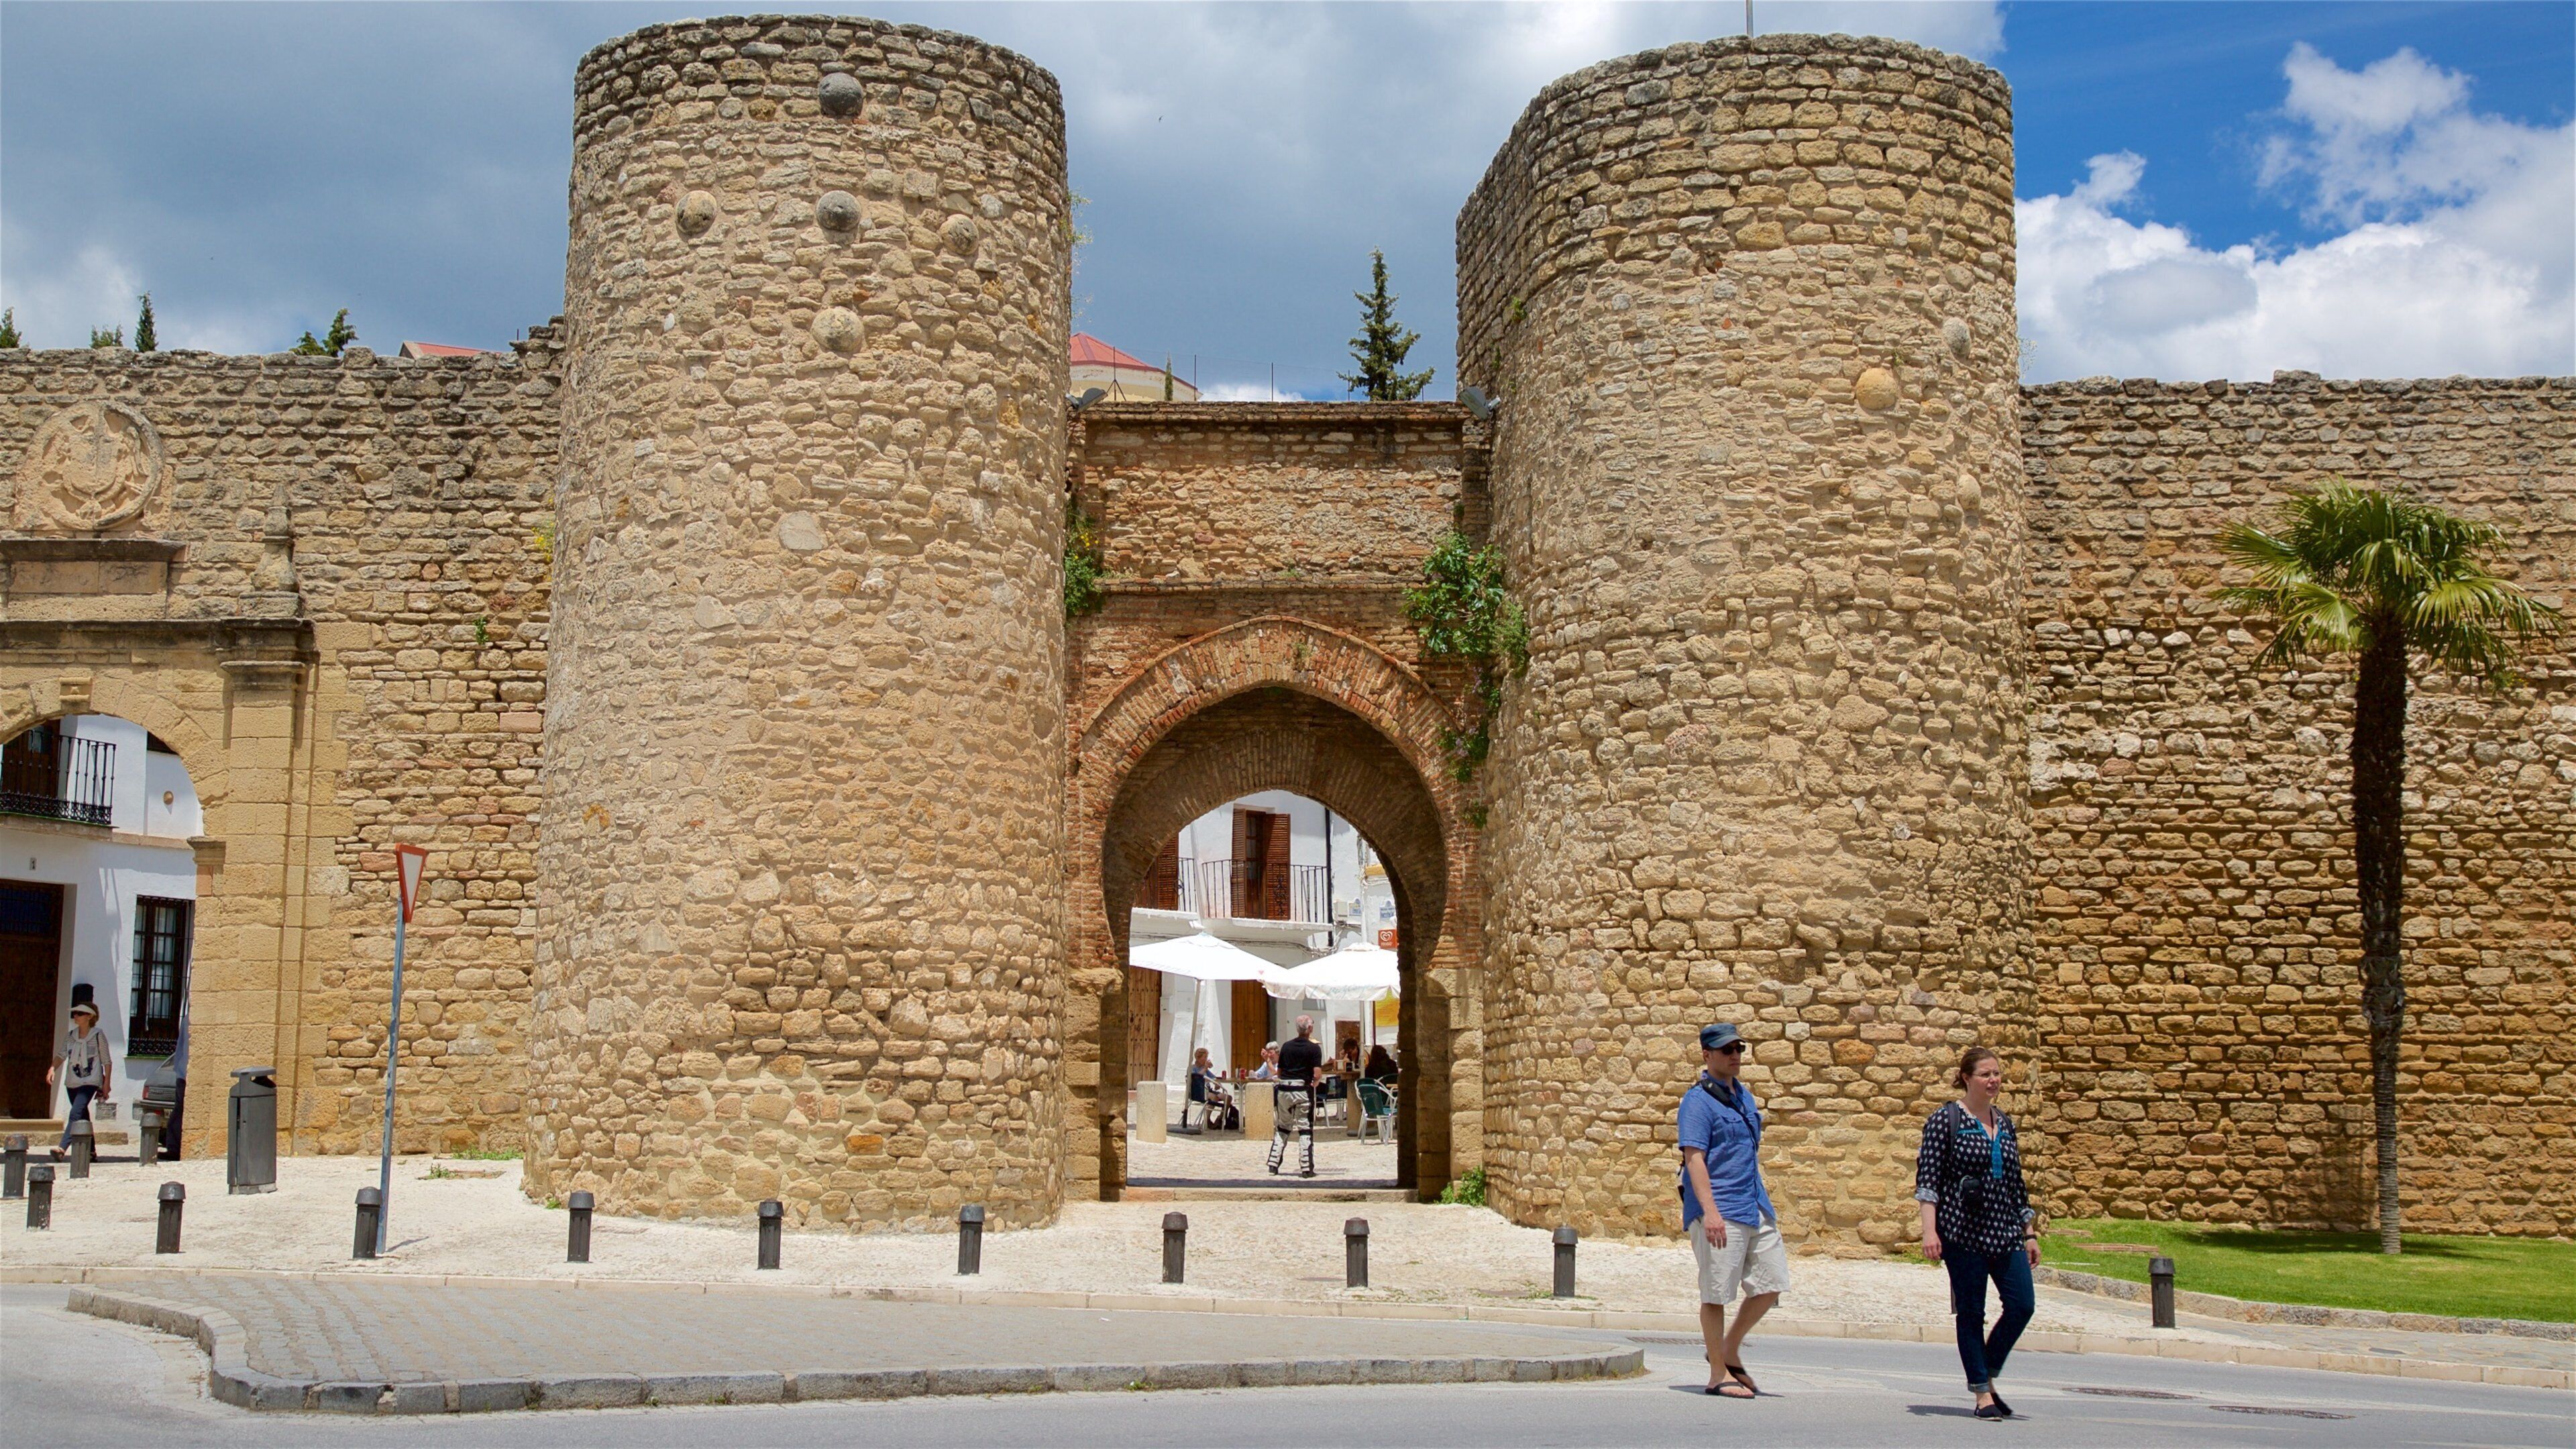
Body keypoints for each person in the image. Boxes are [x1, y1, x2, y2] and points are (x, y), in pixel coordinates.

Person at [1916, 1045, 2039, 1421]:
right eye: (1986, 1074)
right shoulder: (1946, 1120)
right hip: (1962, 1232)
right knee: (1971, 1313)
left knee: (2022, 1306)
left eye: (1997, 1074)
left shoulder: (2005, 1123)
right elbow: (1928, 1180)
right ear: (1967, 1078)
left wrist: (2029, 1232)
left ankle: (1985, 1370)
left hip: (2005, 1231)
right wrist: (1929, 1231)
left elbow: (2016, 1183)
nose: (1994, 1080)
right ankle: (1982, 1393)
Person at [1677, 1021, 1787, 1399]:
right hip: (1720, 1206)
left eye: (1739, 1048)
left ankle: (1729, 1348)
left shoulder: (1745, 1097)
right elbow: (1695, 1159)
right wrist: (1709, 1212)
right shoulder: (1696, 1102)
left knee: (1772, 1284)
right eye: (1727, 1050)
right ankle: (1717, 1375)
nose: (1735, 1055)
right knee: (1716, 1292)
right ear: (1707, 1055)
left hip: (1754, 1203)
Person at [48, 1002, 113, 1159]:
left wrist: (106, 1084)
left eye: (80, 1013)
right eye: (75, 1013)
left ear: (90, 1016)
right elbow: (62, 1054)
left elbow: (107, 1061)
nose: (76, 1016)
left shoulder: (98, 1035)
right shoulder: (71, 1035)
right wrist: (52, 1068)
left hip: (90, 1081)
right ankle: (91, 1151)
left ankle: (62, 1148)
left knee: (75, 1113)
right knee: (82, 1115)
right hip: (73, 1081)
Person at [1268, 1015, 1322, 1177]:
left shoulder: (1286, 1046)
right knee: (1305, 1128)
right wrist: (1315, 1083)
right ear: (1310, 1029)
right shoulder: (1314, 1049)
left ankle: (1273, 1164)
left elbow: (1280, 1072)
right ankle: (1306, 1167)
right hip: (1302, 1090)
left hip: (1284, 1090)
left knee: (1283, 1127)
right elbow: (1317, 1074)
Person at [1183, 1046, 1216, 1132]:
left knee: (1228, 1098)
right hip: (1198, 1092)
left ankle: (1219, 1120)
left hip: (1208, 1090)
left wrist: (1217, 1084)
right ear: (1198, 1058)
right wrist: (1205, 1068)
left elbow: (1213, 1078)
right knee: (1214, 1098)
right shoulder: (1192, 1068)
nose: (1206, 1059)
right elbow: (1197, 1078)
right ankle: (1207, 1121)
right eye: (1204, 1057)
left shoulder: (1204, 1068)